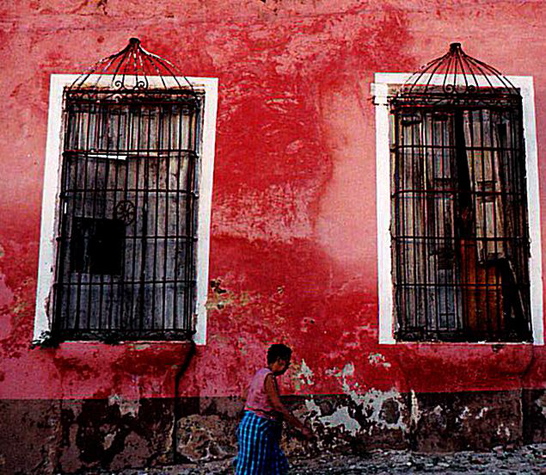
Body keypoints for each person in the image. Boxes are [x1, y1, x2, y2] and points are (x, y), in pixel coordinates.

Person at [235, 343, 312, 475]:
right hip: (259, 425)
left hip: (254, 422)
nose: (287, 367)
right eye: (287, 364)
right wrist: (301, 427)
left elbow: (244, 396)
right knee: (252, 468)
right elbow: (278, 406)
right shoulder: (269, 377)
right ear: (280, 361)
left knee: (273, 463)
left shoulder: (260, 374)